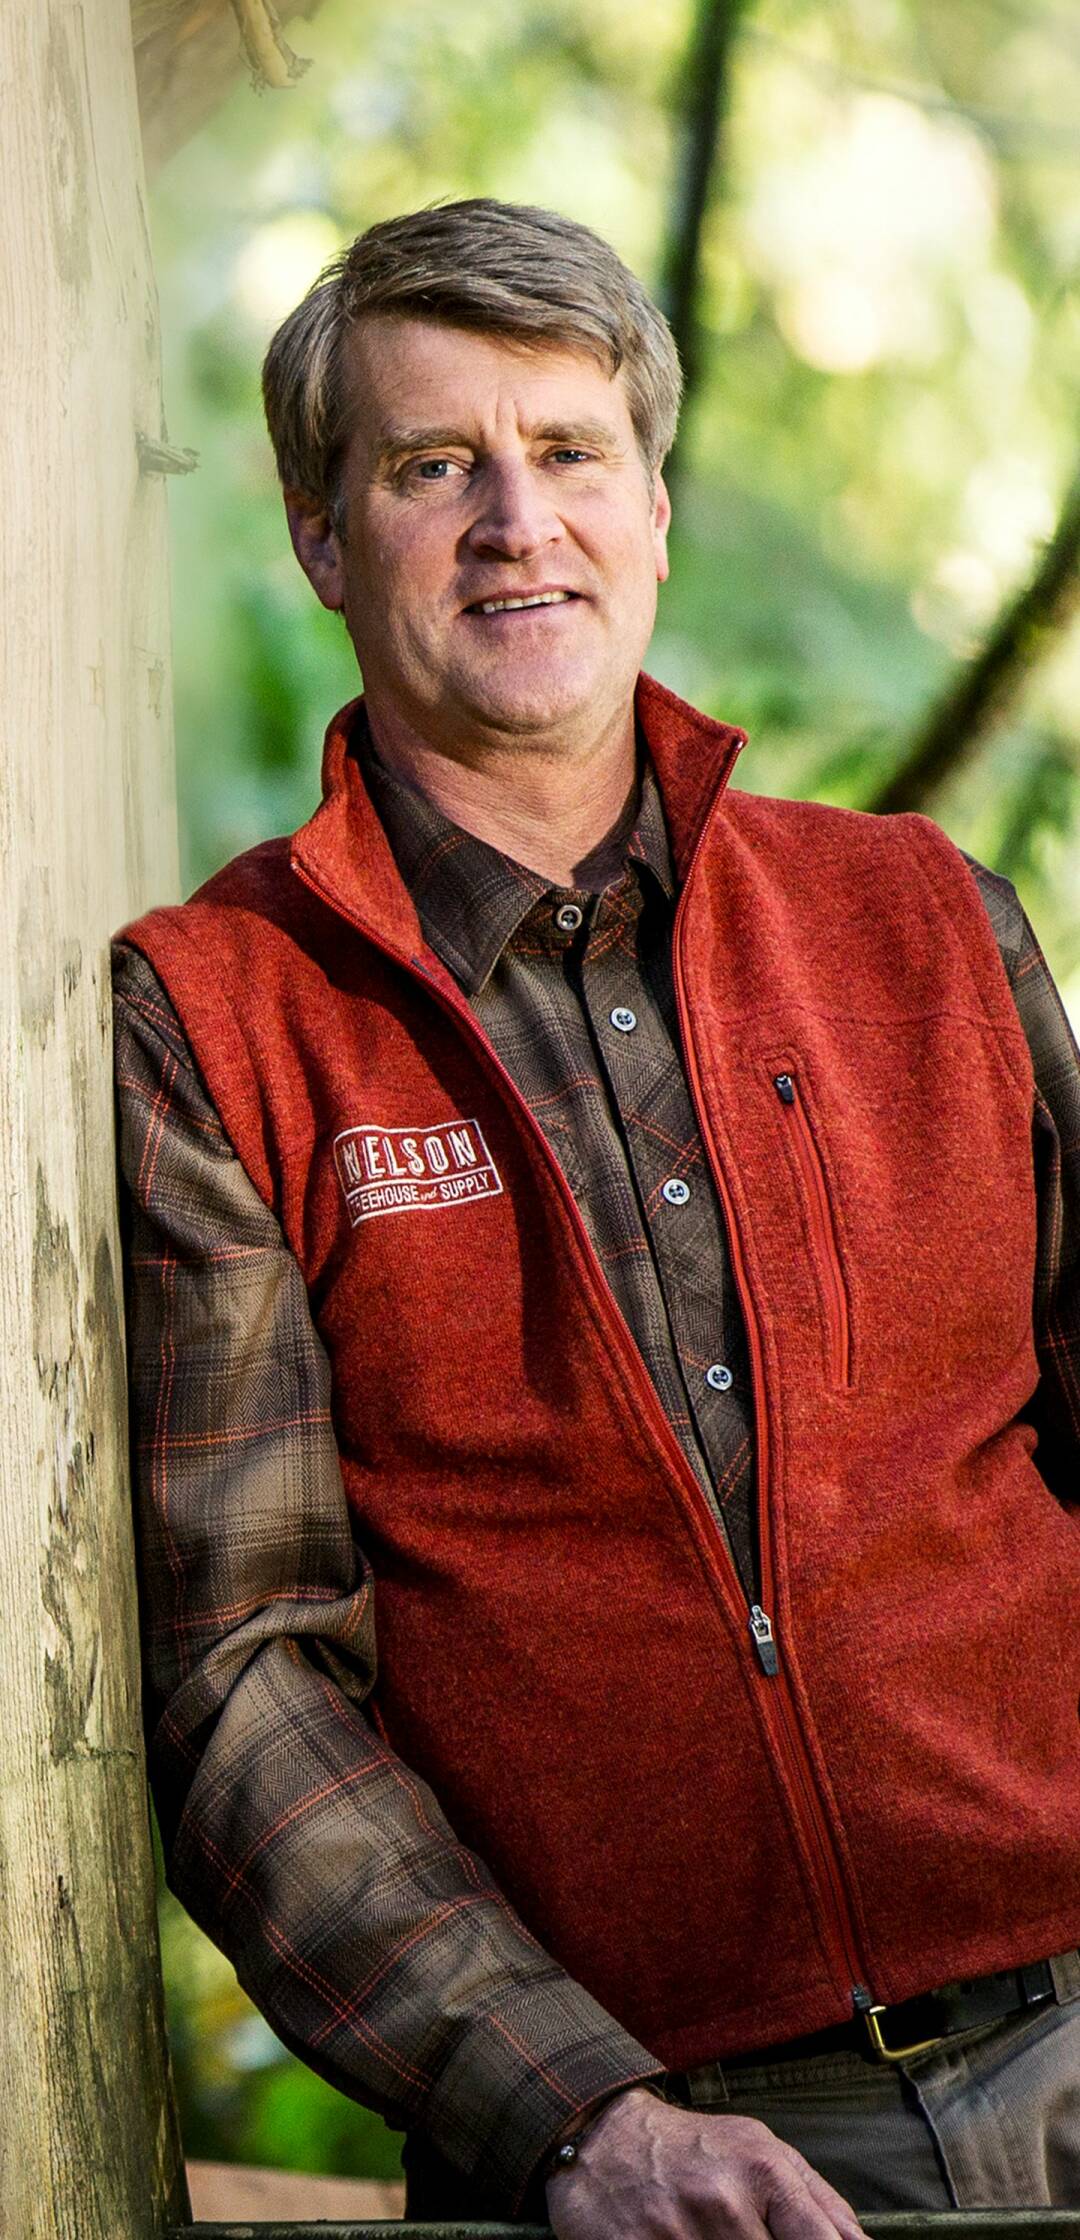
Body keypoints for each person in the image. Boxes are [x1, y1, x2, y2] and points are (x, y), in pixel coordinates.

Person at [112, 199, 1080, 2236]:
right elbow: (244, 1671)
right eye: (430, 464)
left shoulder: (927, 920)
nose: (513, 523)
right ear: (320, 538)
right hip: (654, 2165)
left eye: (566, 453)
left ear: (654, 500)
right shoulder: (220, 1019)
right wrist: (577, 2115)